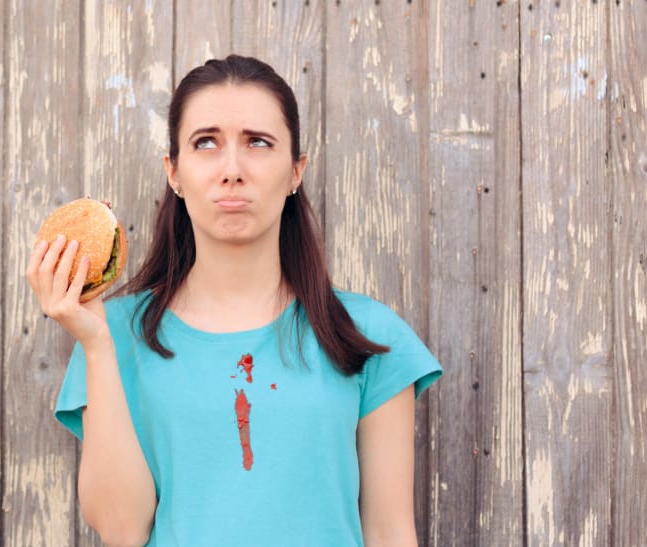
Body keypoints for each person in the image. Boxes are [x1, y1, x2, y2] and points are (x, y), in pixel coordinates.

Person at [27, 54, 442, 547]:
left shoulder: (366, 331)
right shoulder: (112, 335)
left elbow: (391, 532)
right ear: (174, 173)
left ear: (296, 171)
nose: (232, 169)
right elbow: (121, 529)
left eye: (258, 143)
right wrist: (95, 343)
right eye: (206, 143)